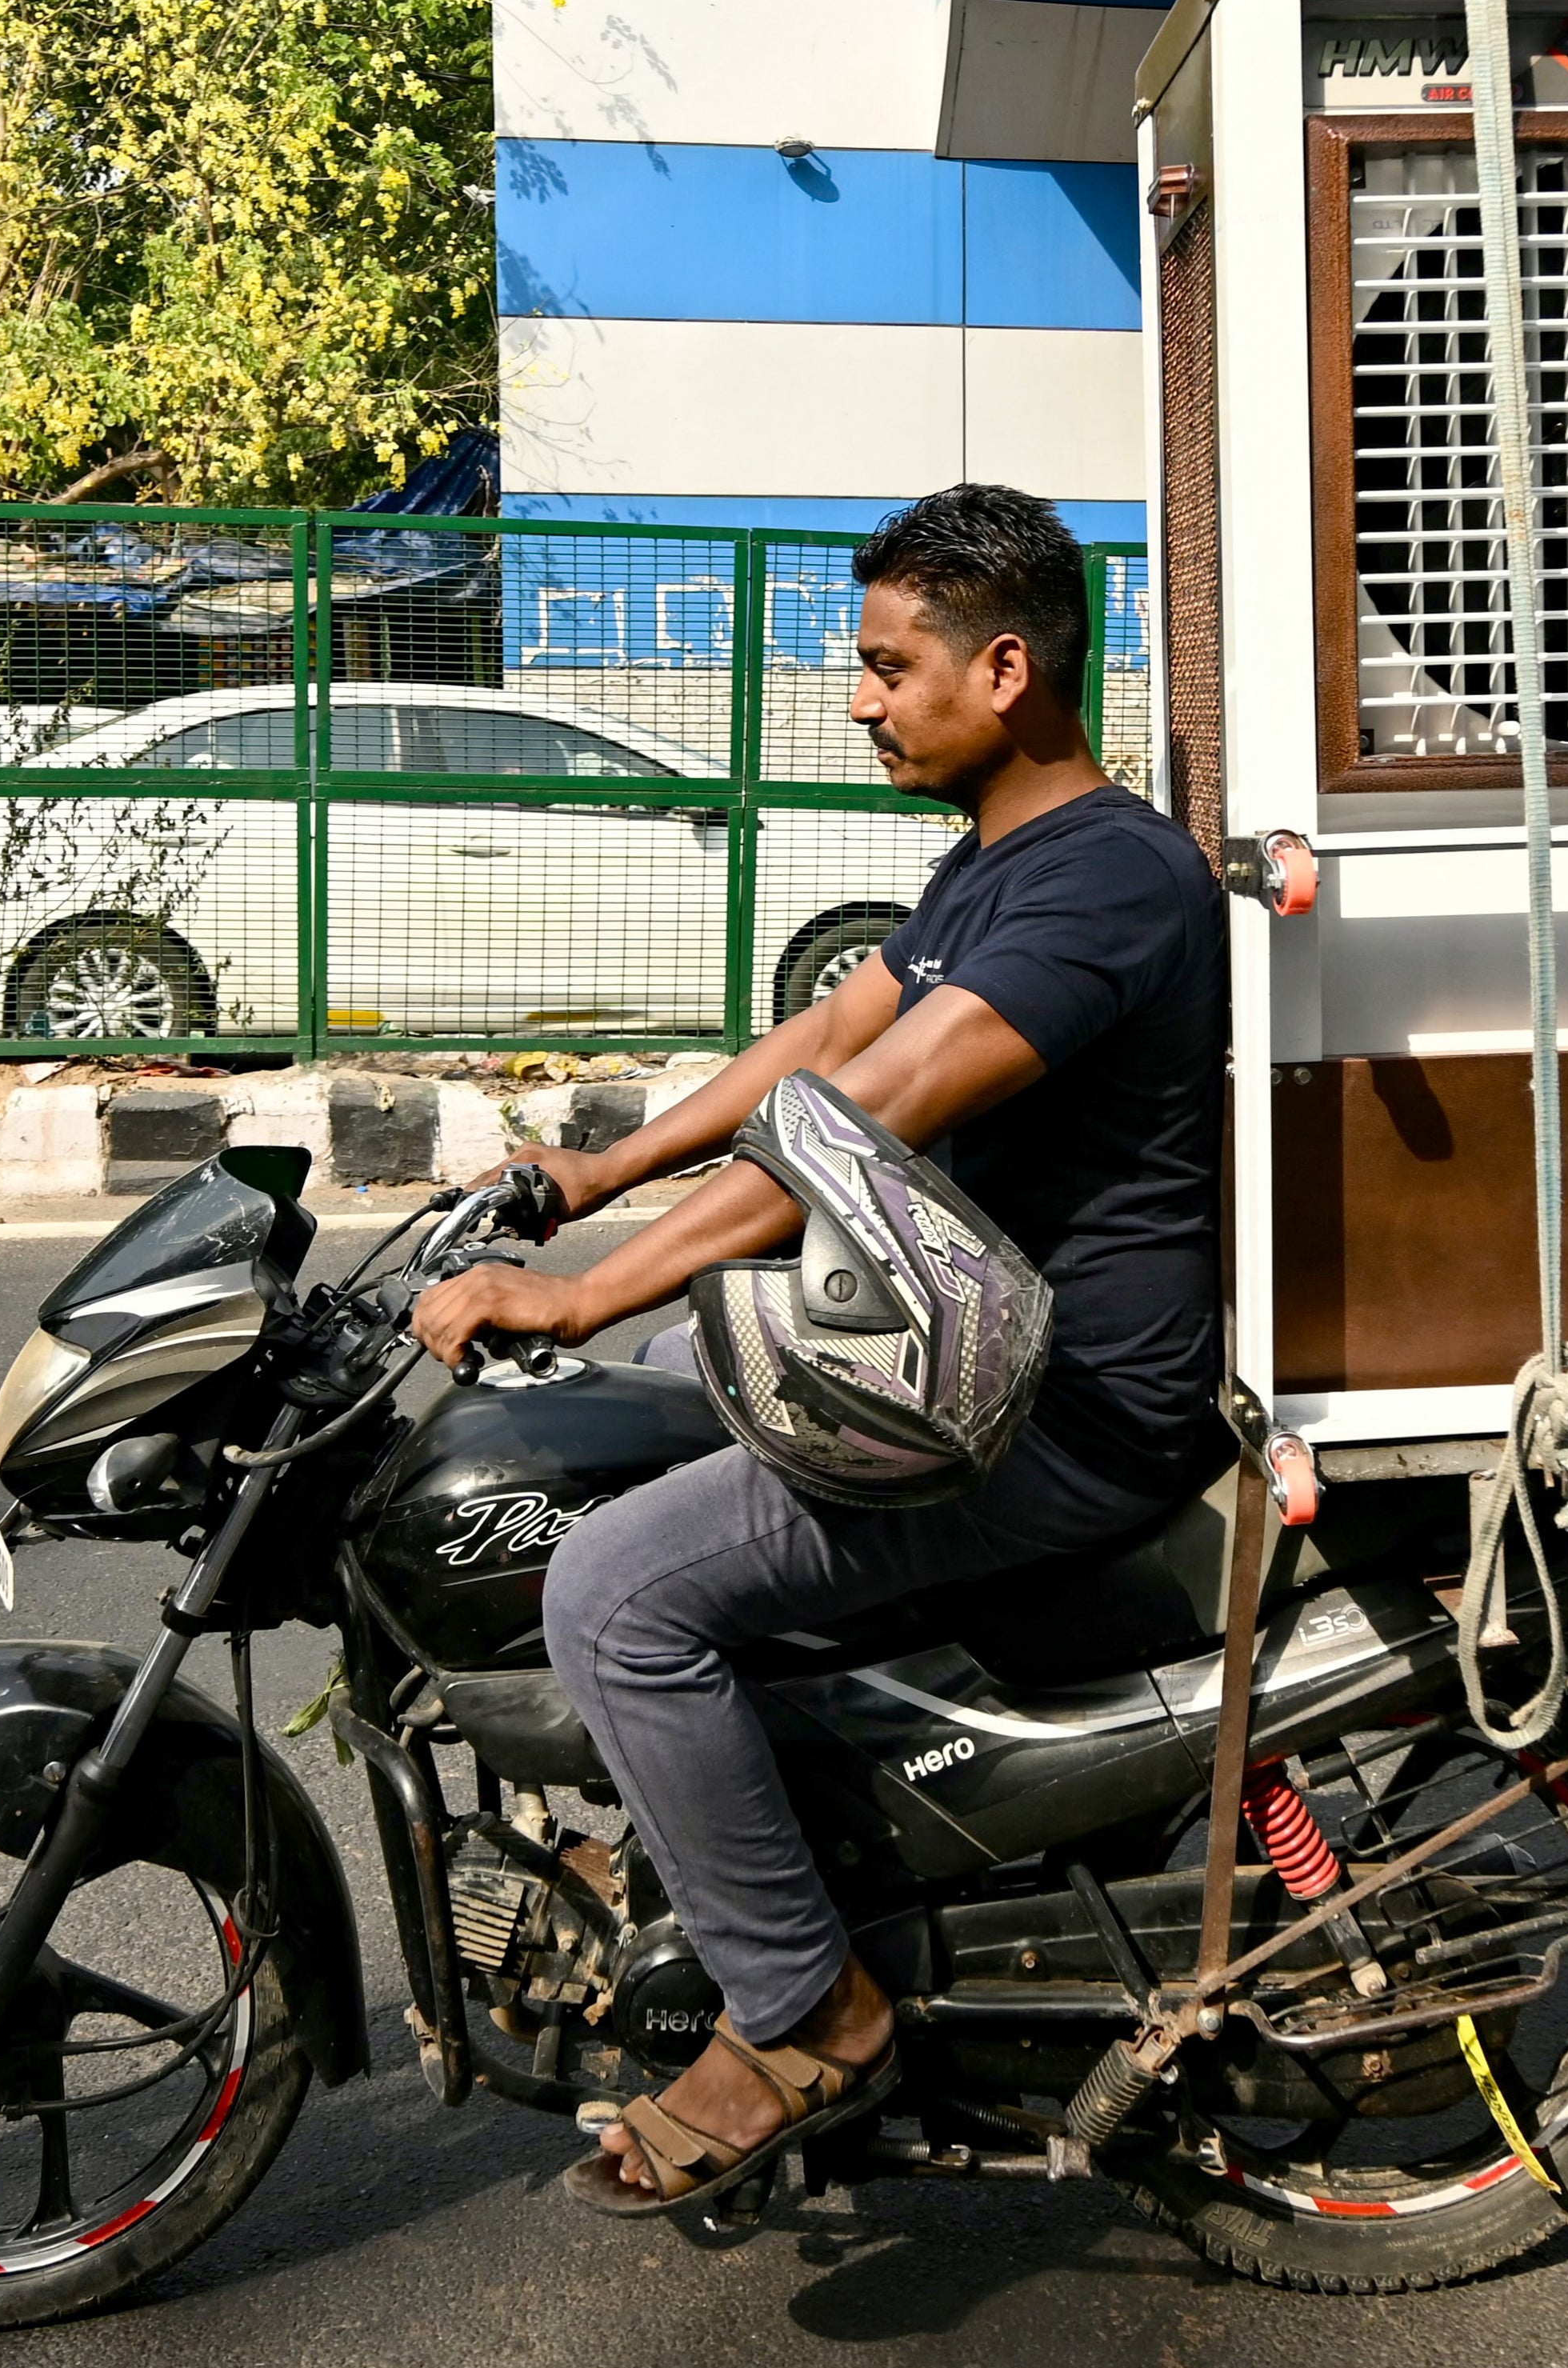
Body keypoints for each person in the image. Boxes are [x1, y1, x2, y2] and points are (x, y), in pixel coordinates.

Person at [405, 482, 1230, 2214]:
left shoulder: (1109, 887)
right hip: (954, 1367)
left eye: (881, 664)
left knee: (617, 1593)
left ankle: (801, 2015)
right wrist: (592, 1169)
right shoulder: (1004, 860)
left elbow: (859, 1119)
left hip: (1055, 1417)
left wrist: (583, 1289)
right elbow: (825, 1031)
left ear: (1002, 669)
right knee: (628, 1454)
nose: (856, 696)